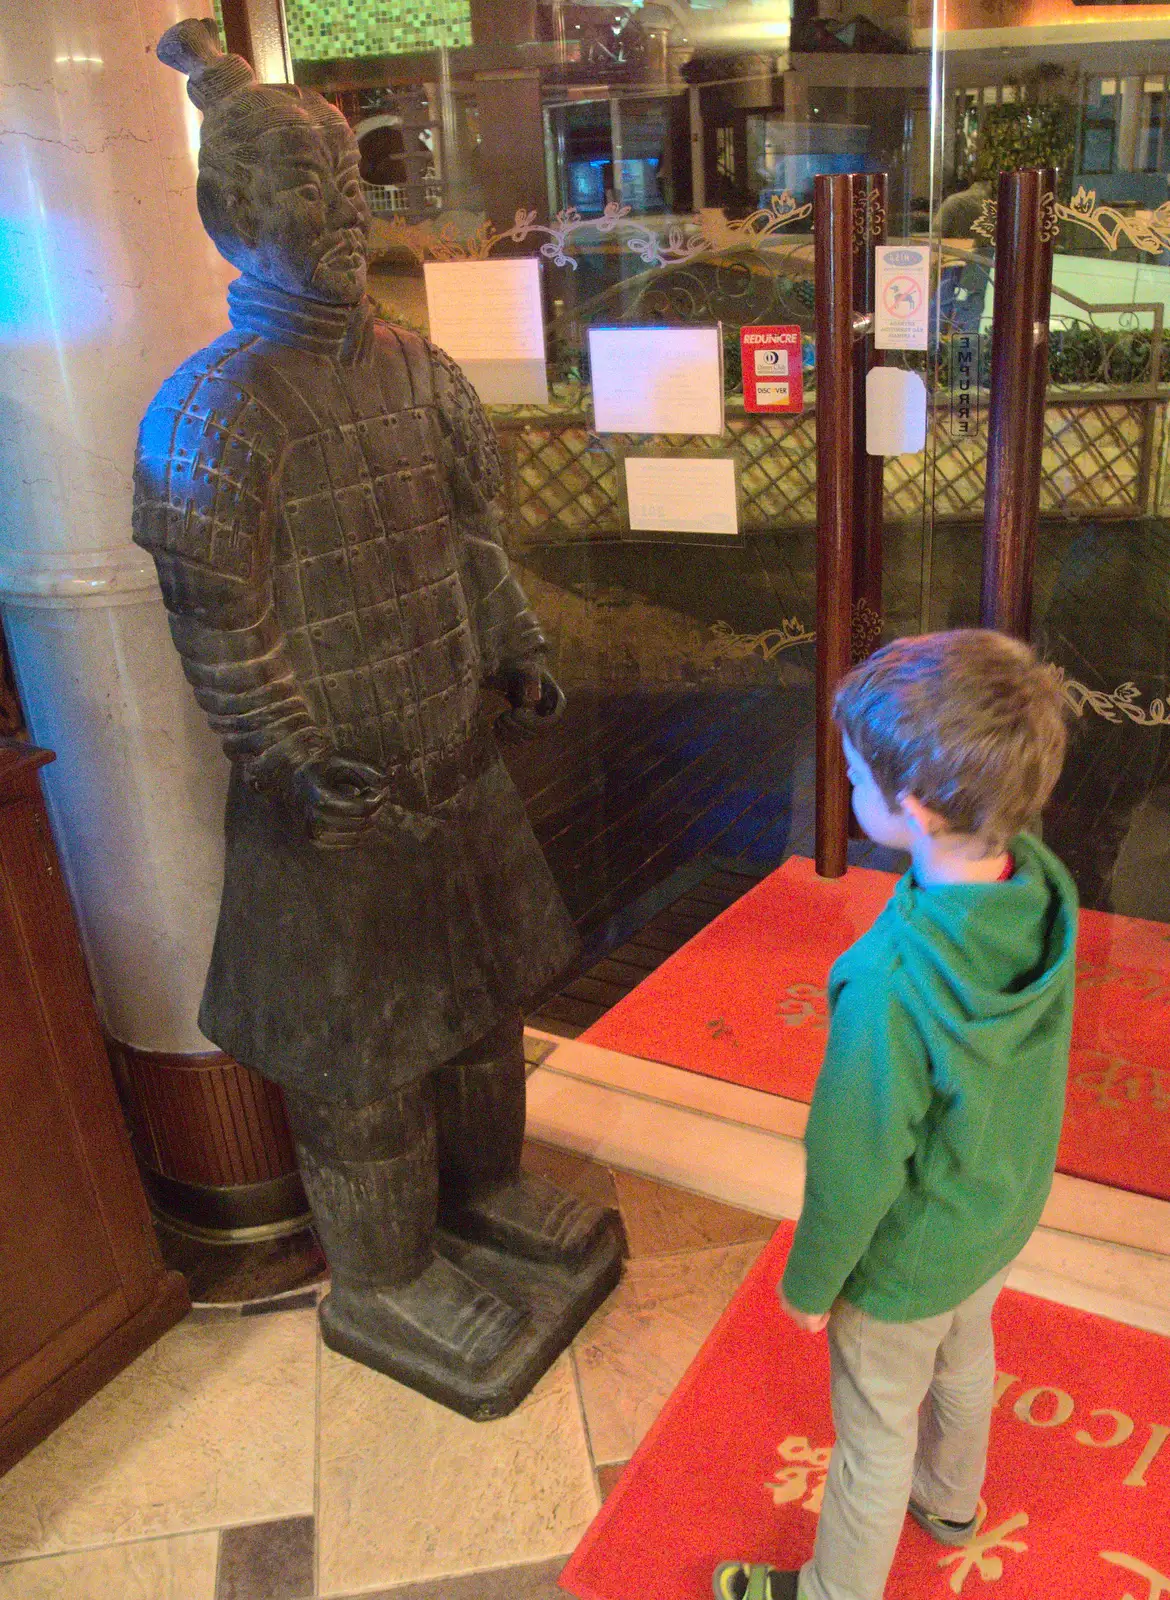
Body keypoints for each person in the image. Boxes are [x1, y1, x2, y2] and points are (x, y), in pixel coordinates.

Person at [714, 629, 1077, 1600]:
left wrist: (813, 1278)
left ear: (909, 809)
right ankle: (954, 1500)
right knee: (967, 1350)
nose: (846, 783)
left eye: (852, 773)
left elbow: (857, 1158)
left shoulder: (888, 980)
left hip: (907, 1256)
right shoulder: (1040, 886)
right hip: (998, 1208)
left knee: (873, 1435)